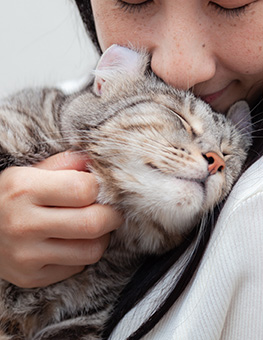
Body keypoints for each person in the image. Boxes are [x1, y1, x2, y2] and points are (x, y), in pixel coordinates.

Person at [0, 0, 263, 339]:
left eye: (232, 1)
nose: (179, 69)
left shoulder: (250, 212)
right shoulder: (58, 113)